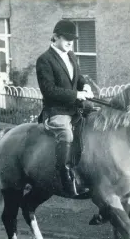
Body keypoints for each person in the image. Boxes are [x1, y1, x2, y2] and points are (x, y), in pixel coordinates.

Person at [36, 19, 96, 197]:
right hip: (56, 111)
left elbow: (78, 78)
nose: (70, 42)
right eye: (66, 38)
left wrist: (85, 87)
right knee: (66, 133)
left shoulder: (71, 55)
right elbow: (49, 90)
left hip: (74, 108)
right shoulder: (44, 60)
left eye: (72, 39)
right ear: (55, 37)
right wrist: (76, 95)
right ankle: (65, 176)